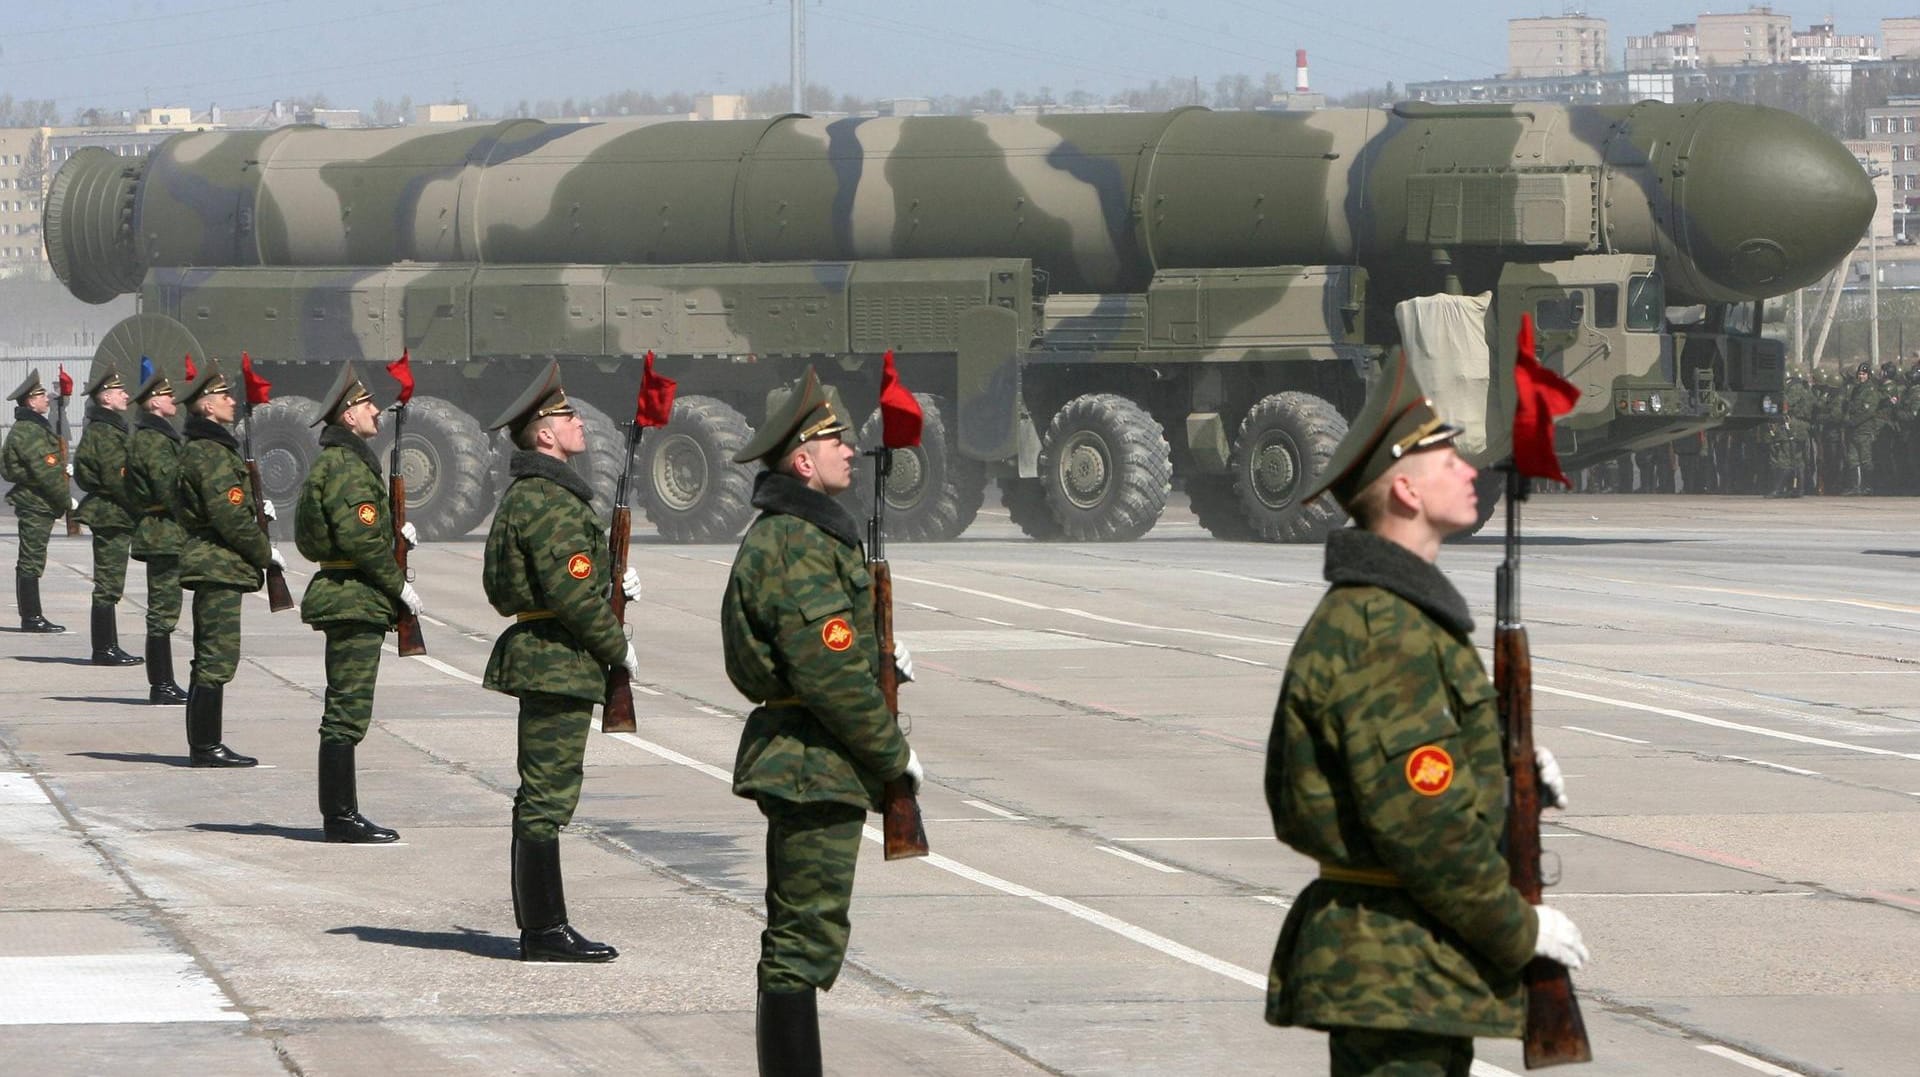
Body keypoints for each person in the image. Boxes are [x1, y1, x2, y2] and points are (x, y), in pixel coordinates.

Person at [1263, 352, 1588, 1077]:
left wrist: (1506, 777)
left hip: (1415, 966)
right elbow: (1422, 824)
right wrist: (1518, 929)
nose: (1469, 469)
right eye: (1448, 458)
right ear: (1405, 488)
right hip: (1394, 968)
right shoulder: (1384, 630)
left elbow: (1422, 781)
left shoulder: (1402, 616)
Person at [719, 367, 921, 1077]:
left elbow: (831, 653)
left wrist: (882, 657)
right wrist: (894, 755)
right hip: (813, 761)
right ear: (802, 460)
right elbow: (826, 673)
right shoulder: (797, 542)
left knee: (803, 934)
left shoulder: (803, 536)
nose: (848, 449)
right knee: (802, 941)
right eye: (835, 438)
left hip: (813, 754)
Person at [481, 361, 639, 961]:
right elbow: (570, 594)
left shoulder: (527, 495)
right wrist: (616, 643)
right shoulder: (552, 501)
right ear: (543, 435)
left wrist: (612, 580)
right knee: (547, 795)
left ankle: (541, 925)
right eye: (566, 415)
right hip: (558, 661)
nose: (578, 422)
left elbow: (506, 587)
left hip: (544, 654)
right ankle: (544, 930)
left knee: (540, 793)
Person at [294, 363, 423, 843]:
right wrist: (398, 585)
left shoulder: (337, 463)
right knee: (347, 709)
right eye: (367, 405)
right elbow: (360, 540)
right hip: (354, 599)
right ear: (348, 417)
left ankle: (341, 812)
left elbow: (339, 534)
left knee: (344, 706)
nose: (375, 412)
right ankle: (340, 815)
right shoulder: (347, 466)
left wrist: (393, 533)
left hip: (348, 594)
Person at [176, 360, 282, 767]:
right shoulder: (212, 455)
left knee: (210, 656)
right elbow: (230, 518)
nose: (231, 402)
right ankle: (205, 746)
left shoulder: (204, 451)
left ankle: (205, 743)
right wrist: (263, 552)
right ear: (205, 407)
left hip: (213, 563)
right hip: (218, 565)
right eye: (223, 396)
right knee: (216, 658)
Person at [72, 362, 144, 666]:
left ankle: (107, 645)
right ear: (105, 398)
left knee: (110, 582)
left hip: (112, 513)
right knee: (108, 583)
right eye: (119, 391)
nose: (126, 395)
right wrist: (144, 506)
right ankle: (104, 648)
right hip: (112, 514)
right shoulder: (106, 433)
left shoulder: (107, 428)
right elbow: (118, 478)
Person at [126, 367, 190, 703]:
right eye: (166, 395)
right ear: (153, 403)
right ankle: (161, 683)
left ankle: (162, 682)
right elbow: (169, 490)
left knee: (163, 608)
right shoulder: (153, 441)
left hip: (162, 530)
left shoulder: (153, 436)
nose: (172, 400)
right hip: (164, 531)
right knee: (163, 610)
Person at [3, 369, 71, 632]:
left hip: (35, 501)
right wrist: (67, 501)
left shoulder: (29, 428)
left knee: (31, 558)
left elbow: (9, 467)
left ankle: (31, 615)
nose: (46, 399)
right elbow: (45, 472)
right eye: (42, 395)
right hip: (36, 503)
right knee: (32, 559)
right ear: (30, 401)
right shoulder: (30, 431)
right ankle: (31, 617)